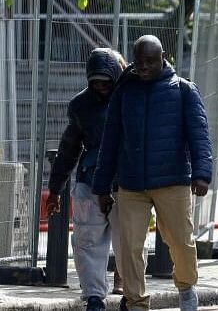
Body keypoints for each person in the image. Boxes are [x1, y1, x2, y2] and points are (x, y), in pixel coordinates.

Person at [92, 35, 213, 311]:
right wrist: (101, 187)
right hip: (131, 184)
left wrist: (202, 173)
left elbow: (199, 135)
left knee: (180, 241)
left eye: (150, 61)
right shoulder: (124, 92)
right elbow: (109, 141)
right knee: (129, 247)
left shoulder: (184, 90)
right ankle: (136, 302)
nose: (144, 67)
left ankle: (186, 288)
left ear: (163, 58)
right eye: (139, 62)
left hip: (173, 181)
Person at [46, 48, 125, 311]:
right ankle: (94, 297)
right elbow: (69, 148)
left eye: (106, 81)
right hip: (89, 182)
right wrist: (55, 188)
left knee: (129, 241)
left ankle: (132, 293)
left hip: (126, 183)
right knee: (86, 240)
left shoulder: (132, 98)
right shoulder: (80, 105)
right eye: (96, 82)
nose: (101, 87)